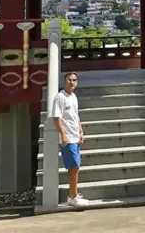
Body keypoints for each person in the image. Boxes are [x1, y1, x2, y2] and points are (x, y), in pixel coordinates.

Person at [53, 71, 88, 207]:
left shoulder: (74, 97)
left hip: (75, 136)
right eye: (69, 80)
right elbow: (57, 118)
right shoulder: (60, 97)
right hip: (67, 138)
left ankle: (73, 195)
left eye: (74, 80)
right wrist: (63, 135)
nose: (72, 82)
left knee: (75, 167)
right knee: (73, 166)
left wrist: (81, 131)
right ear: (65, 81)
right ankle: (73, 197)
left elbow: (76, 116)